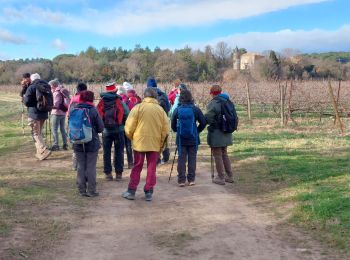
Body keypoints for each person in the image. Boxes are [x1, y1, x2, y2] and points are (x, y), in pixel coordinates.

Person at [122, 88, 169, 201]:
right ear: (155, 97)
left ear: (144, 96)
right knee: (152, 167)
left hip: (139, 143)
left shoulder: (137, 108)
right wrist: (162, 144)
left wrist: (132, 137)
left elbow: (129, 127)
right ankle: (149, 191)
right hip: (155, 144)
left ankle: (131, 191)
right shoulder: (160, 110)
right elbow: (165, 130)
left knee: (137, 166)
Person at [71, 90, 104, 197]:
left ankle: (81, 190)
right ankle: (91, 190)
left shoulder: (73, 109)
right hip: (91, 142)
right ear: (91, 98)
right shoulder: (93, 110)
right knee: (91, 166)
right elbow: (100, 128)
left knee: (80, 166)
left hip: (77, 141)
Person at [171, 89, 206, 186]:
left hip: (181, 138)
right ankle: (191, 180)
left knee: (181, 159)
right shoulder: (195, 109)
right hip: (193, 137)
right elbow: (203, 122)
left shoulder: (177, 110)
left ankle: (181, 180)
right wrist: (197, 131)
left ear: (181, 98)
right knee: (192, 158)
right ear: (191, 97)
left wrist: (177, 131)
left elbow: (172, 124)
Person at [97, 83, 129, 181]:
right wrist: (122, 123)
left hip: (106, 131)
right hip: (119, 130)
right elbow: (127, 113)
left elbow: (97, 114)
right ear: (115, 91)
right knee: (119, 152)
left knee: (106, 152)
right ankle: (118, 174)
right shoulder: (119, 100)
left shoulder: (101, 101)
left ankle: (108, 174)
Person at [205, 84, 235, 185]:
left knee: (217, 155)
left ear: (212, 93)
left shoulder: (213, 103)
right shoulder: (228, 101)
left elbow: (208, 118)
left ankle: (221, 178)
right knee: (224, 153)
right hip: (227, 132)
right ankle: (229, 176)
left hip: (217, 133)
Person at [23, 73, 52, 160]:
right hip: (44, 113)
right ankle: (40, 154)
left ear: (32, 80)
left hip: (34, 113)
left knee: (35, 133)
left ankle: (44, 150)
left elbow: (27, 102)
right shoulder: (47, 86)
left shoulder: (31, 87)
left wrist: (25, 99)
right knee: (39, 133)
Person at [146, 77, 171, 164]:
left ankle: (157, 159)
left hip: (153, 121)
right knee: (164, 138)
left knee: (155, 139)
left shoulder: (148, 95)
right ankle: (166, 157)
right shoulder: (163, 94)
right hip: (164, 119)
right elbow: (168, 107)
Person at [68, 82, 91, 170]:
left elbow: (69, 112)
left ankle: (75, 165)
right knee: (87, 144)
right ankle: (86, 164)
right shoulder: (87, 98)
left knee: (76, 145)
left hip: (74, 125)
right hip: (86, 124)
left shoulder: (73, 99)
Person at [49, 79, 69, 151]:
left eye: (50, 86)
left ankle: (56, 145)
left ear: (53, 85)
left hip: (56, 113)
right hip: (63, 113)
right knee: (62, 129)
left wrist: (49, 107)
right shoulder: (62, 91)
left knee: (54, 129)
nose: (50, 87)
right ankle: (65, 144)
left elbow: (55, 104)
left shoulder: (56, 93)